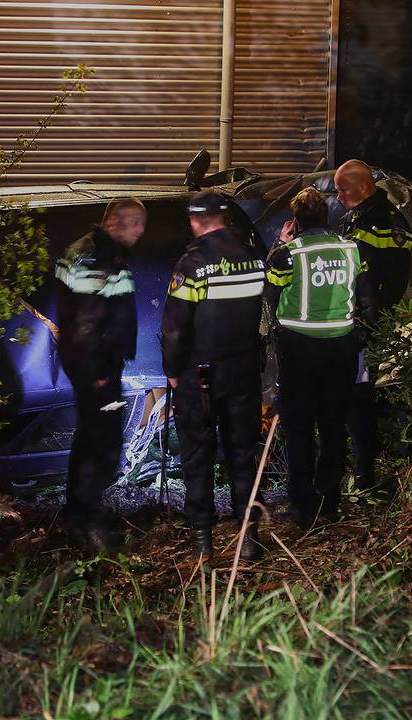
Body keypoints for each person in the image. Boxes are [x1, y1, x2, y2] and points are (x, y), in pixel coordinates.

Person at [162, 192, 268, 562]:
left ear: (194, 221)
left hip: (199, 377)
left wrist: (173, 371)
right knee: (243, 453)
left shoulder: (192, 264)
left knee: (197, 456)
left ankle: (203, 546)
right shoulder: (254, 258)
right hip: (243, 371)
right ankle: (249, 539)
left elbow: (175, 328)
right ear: (225, 218)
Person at [266, 187, 374, 527]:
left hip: (298, 349)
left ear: (295, 221)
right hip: (341, 348)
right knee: (333, 425)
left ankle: (302, 505)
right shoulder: (352, 249)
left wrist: (279, 243)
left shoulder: (289, 253)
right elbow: (365, 294)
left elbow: (270, 290)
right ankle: (330, 503)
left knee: (299, 428)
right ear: (326, 217)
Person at [55, 198, 146, 551]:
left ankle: (83, 514)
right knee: (99, 442)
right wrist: (98, 372)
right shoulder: (95, 258)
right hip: (96, 367)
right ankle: (84, 524)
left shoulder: (95, 251)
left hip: (96, 365)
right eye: (136, 222)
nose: (141, 230)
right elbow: (86, 320)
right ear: (113, 223)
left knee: (96, 438)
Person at [334, 159, 412, 493]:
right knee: (355, 399)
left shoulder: (374, 222)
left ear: (365, 188)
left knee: (359, 401)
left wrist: (362, 324)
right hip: (365, 322)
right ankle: (358, 471)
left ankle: (363, 474)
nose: (338, 197)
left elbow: (372, 281)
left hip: (363, 326)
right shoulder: (373, 219)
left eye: (343, 190)